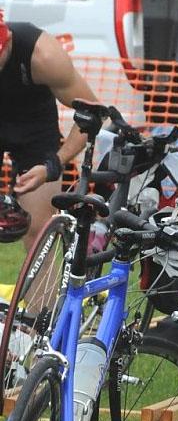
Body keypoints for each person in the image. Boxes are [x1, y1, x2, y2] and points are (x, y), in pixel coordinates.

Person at [0, 14, 100, 251]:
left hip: (34, 127)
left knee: (39, 232)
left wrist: (53, 164)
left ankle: (41, 277)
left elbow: (93, 115)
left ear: (8, 39)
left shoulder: (44, 55)